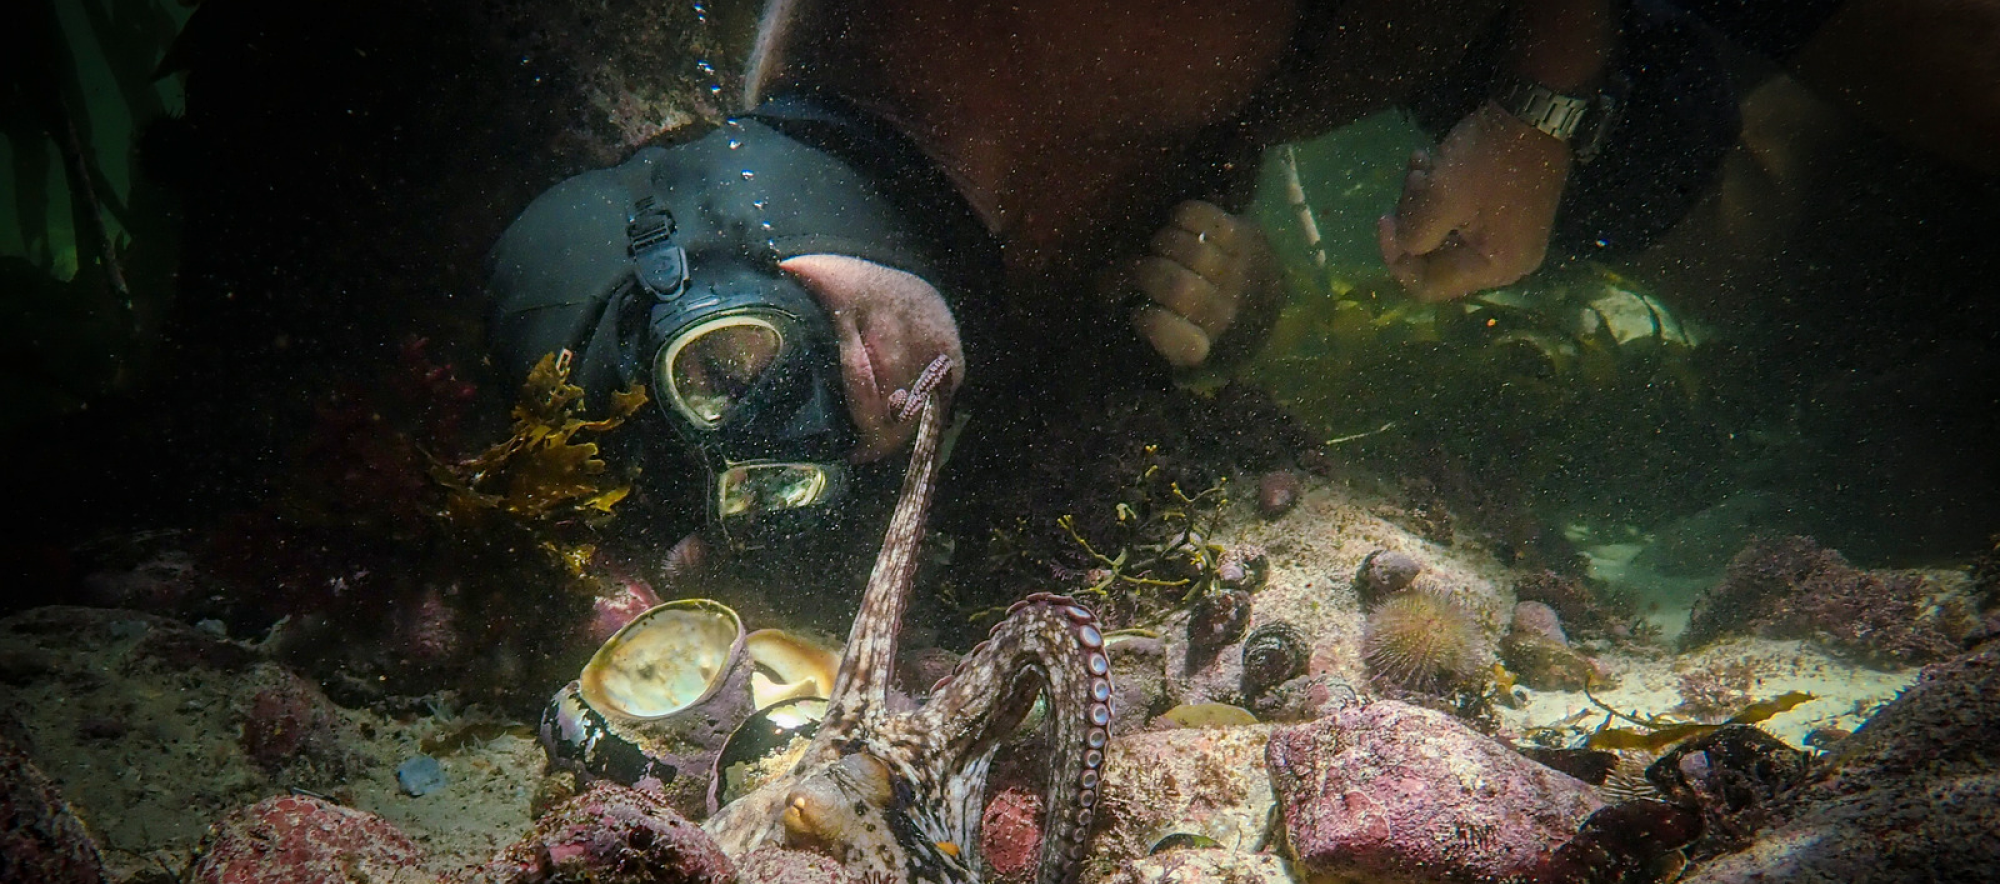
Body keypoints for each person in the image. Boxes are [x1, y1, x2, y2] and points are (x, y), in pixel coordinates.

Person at [487, 0, 1655, 544]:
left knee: (1664, 164)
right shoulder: (957, 348)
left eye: (723, 363)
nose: (825, 412)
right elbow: (1197, 298)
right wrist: (1236, 300)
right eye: (757, 462)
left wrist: (1542, 97)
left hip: (1520, 70)